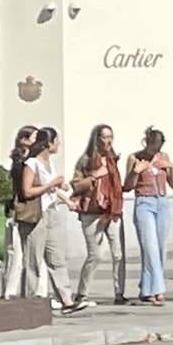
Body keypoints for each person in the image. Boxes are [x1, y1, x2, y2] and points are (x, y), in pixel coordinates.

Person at [23, 126, 91, 312]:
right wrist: (51, 184)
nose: (59, 144)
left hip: (52, 212)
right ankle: (29, 302)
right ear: (48, 143)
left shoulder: (49, 164)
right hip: (37, 215)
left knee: (57, 258)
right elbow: (27, 190)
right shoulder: (32, 164)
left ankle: (66, 300)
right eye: (56, 140)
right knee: (34, 259)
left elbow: (52, 189)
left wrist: (66, 198)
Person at [71, 124, 126, 303]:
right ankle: (82, 292)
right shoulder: (86, 160)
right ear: (97, 139)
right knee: (96, 254)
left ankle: (119, 293)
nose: (108, 141)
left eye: (111, 136)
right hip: (92, 212)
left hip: (112, 211)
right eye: (104, 137)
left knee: (118, 254)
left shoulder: (112, 159)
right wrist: (95, 175)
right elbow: (77, 185)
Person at [125, 127, 173, 303]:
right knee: (150, 247)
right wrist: (136, 171)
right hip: (144, 202)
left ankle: (147, 288)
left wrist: (171, 167)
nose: (154, 151)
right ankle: (159, 290)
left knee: (160, 247)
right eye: (151, 147)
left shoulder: (164, 158)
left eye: (157, 147)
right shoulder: (135, 157)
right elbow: (128, 186)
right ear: (146, 143)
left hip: (162, 203)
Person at [0, 126, 40, 298]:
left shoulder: (30, 161)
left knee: (31, 253)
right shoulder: (21, 162)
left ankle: (30, 291)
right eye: (34, 138)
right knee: (15, 252)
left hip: (28, 209)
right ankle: (9, 291)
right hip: (18, 210)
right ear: (24, 140)